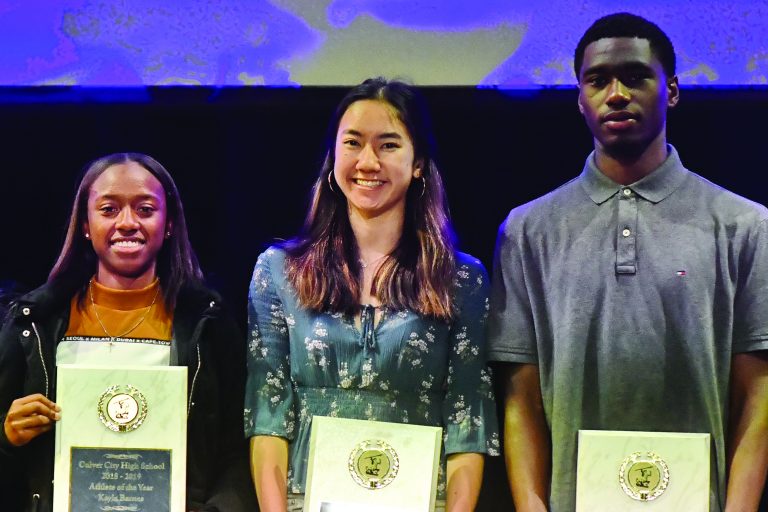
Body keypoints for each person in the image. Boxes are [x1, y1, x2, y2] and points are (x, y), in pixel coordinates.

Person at [488, 12, 768, 512]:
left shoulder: (745, 226)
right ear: (580, 98)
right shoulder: (527, 230)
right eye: (597, 81)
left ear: (673, 91)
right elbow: (520, 401)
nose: (616, 93)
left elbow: (759, 396)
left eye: (636, 77)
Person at [245, 77, 499, 511]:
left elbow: (467, 420)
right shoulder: (278, 270)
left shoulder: (461, 279)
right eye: (353, 143)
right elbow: (268, 415)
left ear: (418, 162)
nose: (368, 161)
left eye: (388, 145)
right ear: (332, 158)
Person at [0, 153, 256, 511]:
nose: (127, 223)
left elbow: (236, 452)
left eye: (145, 209)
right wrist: (7, 437)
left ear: (168, 224)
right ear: (85, 224)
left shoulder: (209, 324)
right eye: (108, 209)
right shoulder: (33, 322)